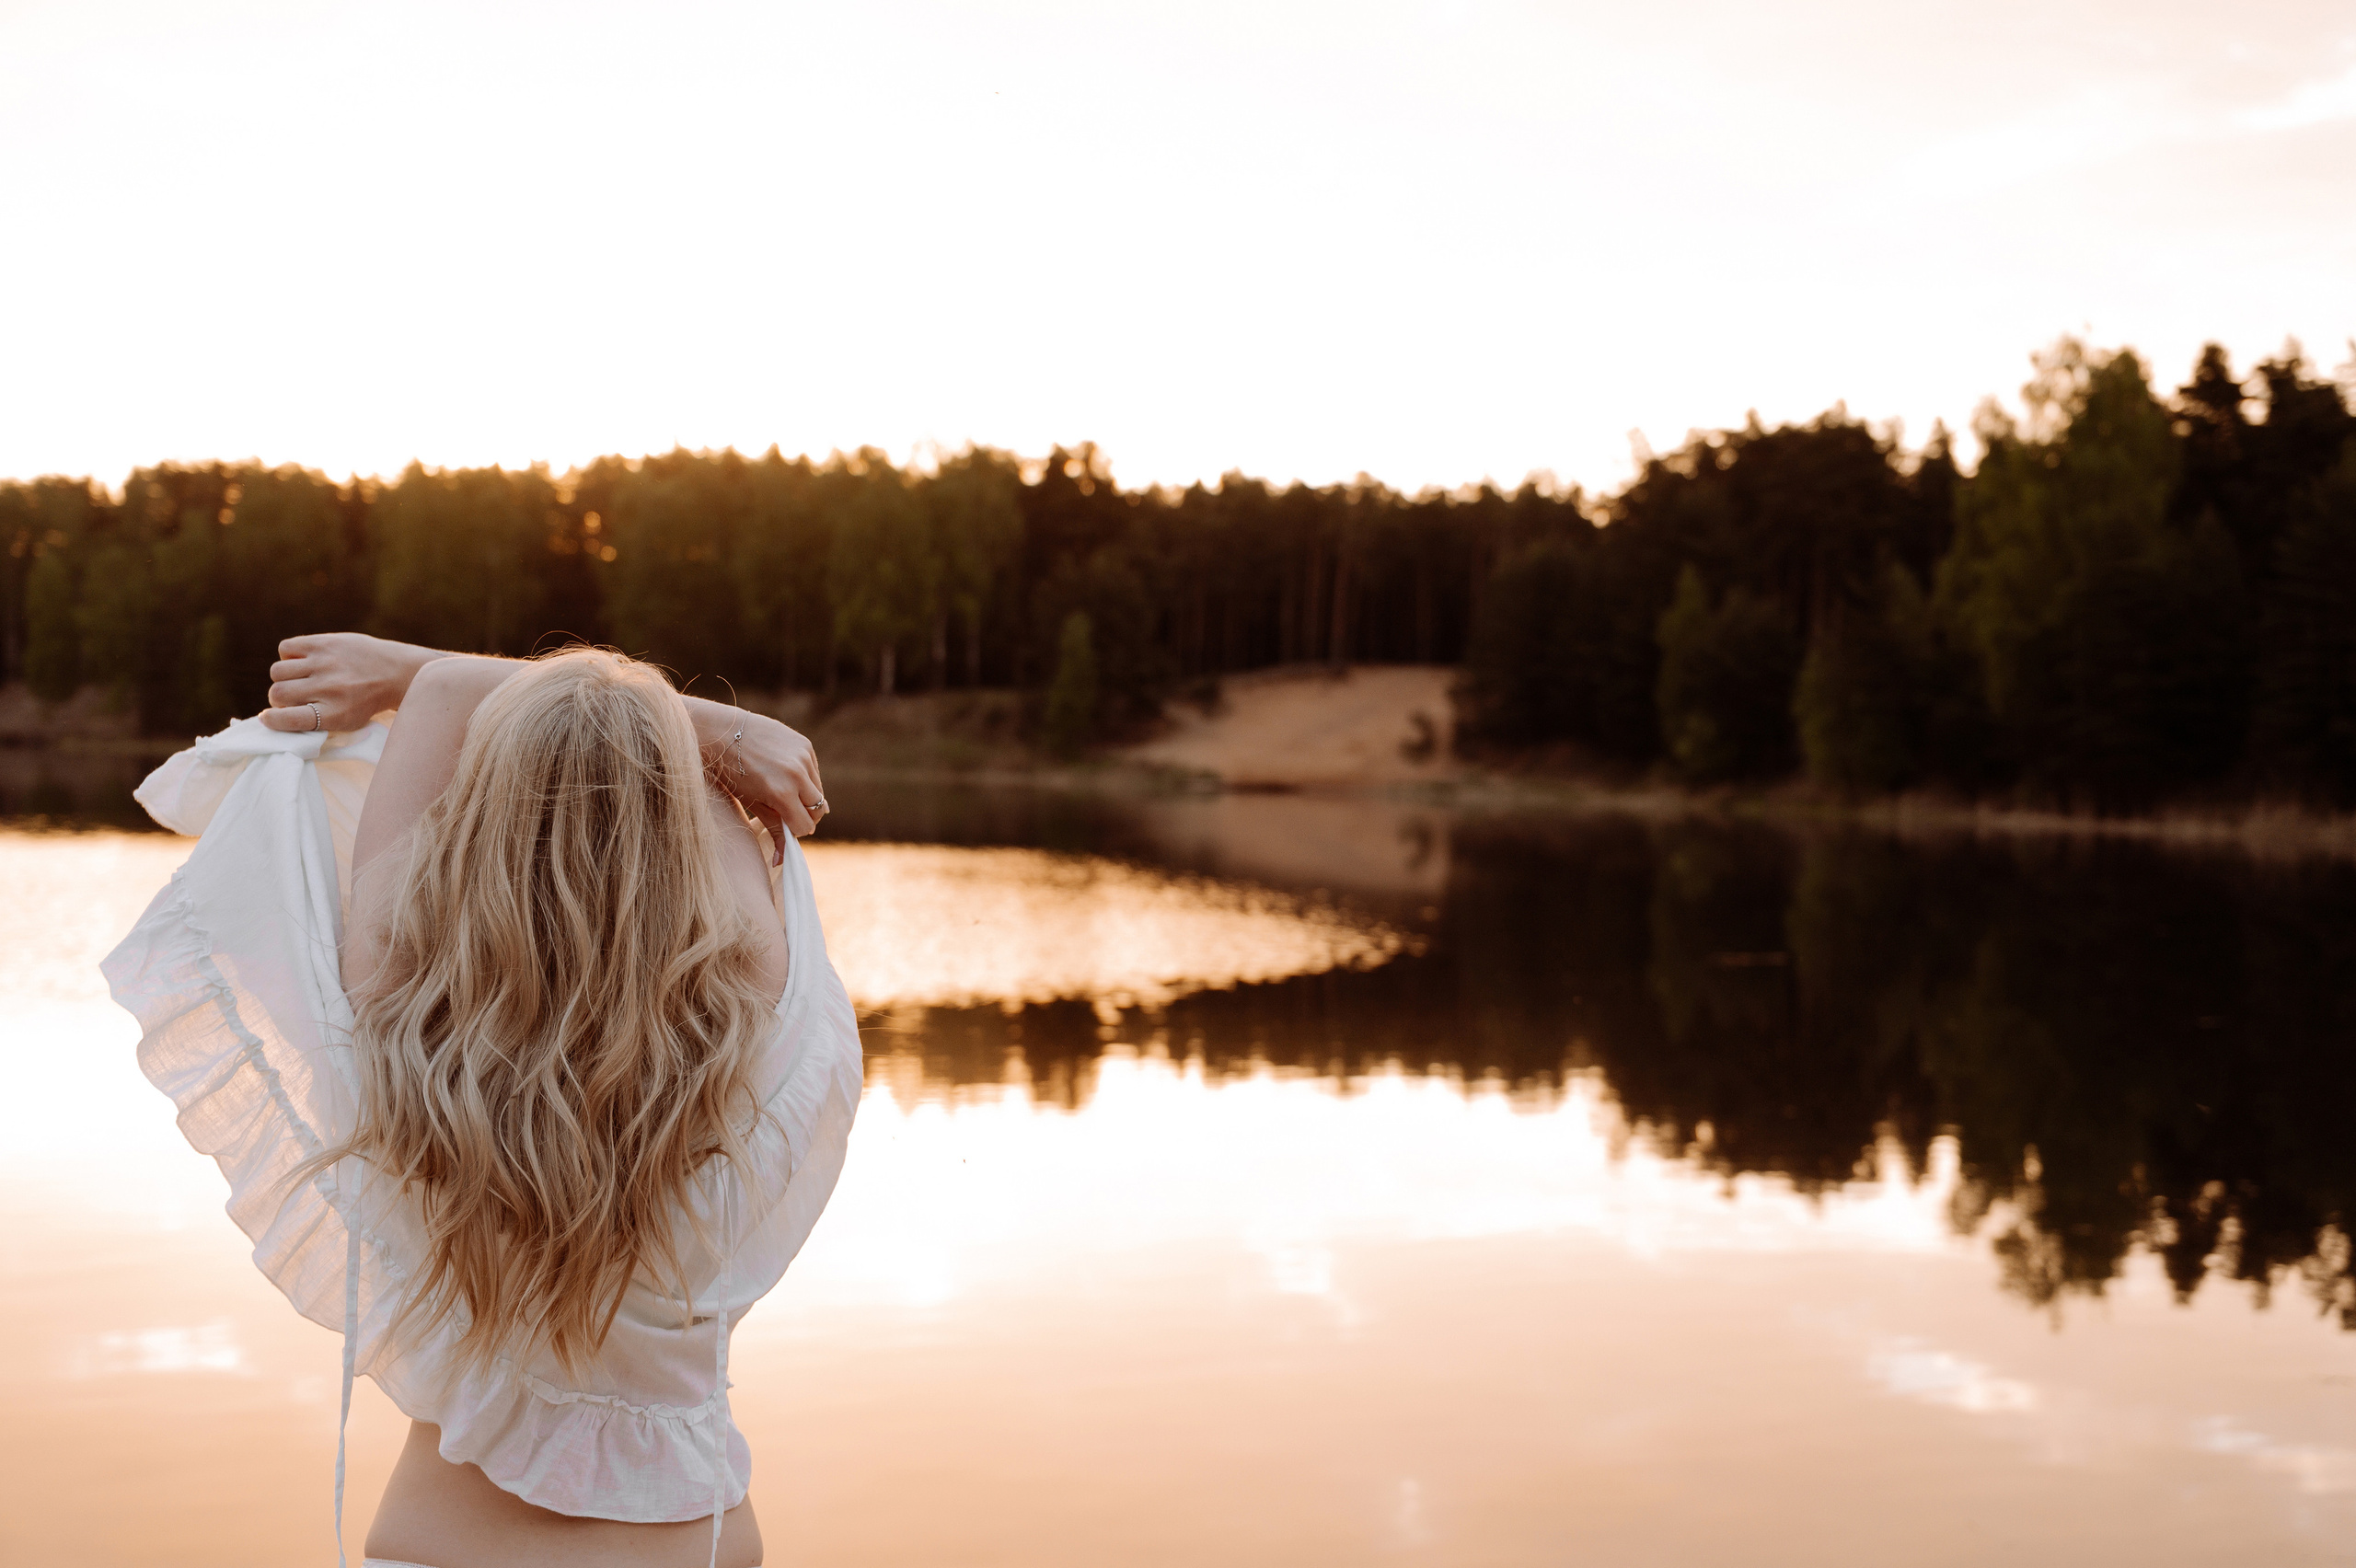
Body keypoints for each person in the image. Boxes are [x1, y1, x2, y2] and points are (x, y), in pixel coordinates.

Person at [102, 634, 865, 1568]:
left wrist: (714, 727)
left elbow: (446, 691)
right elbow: (664, 769)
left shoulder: (397, 1019)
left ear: (468, 827)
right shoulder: (764, 1028)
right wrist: (717, 731)